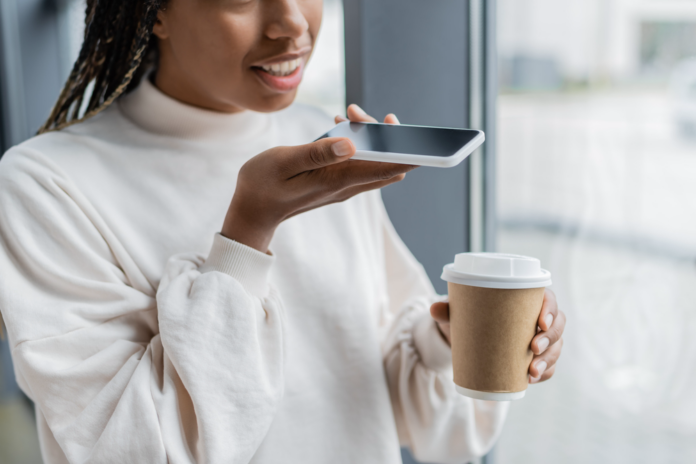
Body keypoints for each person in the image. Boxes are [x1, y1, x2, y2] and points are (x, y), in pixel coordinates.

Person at [0, 0, 566, 463]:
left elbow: (417, 418)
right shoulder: (45, 183)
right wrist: (248, 232)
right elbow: (132, 451)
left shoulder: (322, 142)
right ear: (154, 13)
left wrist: (451, 341)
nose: (292, 23)